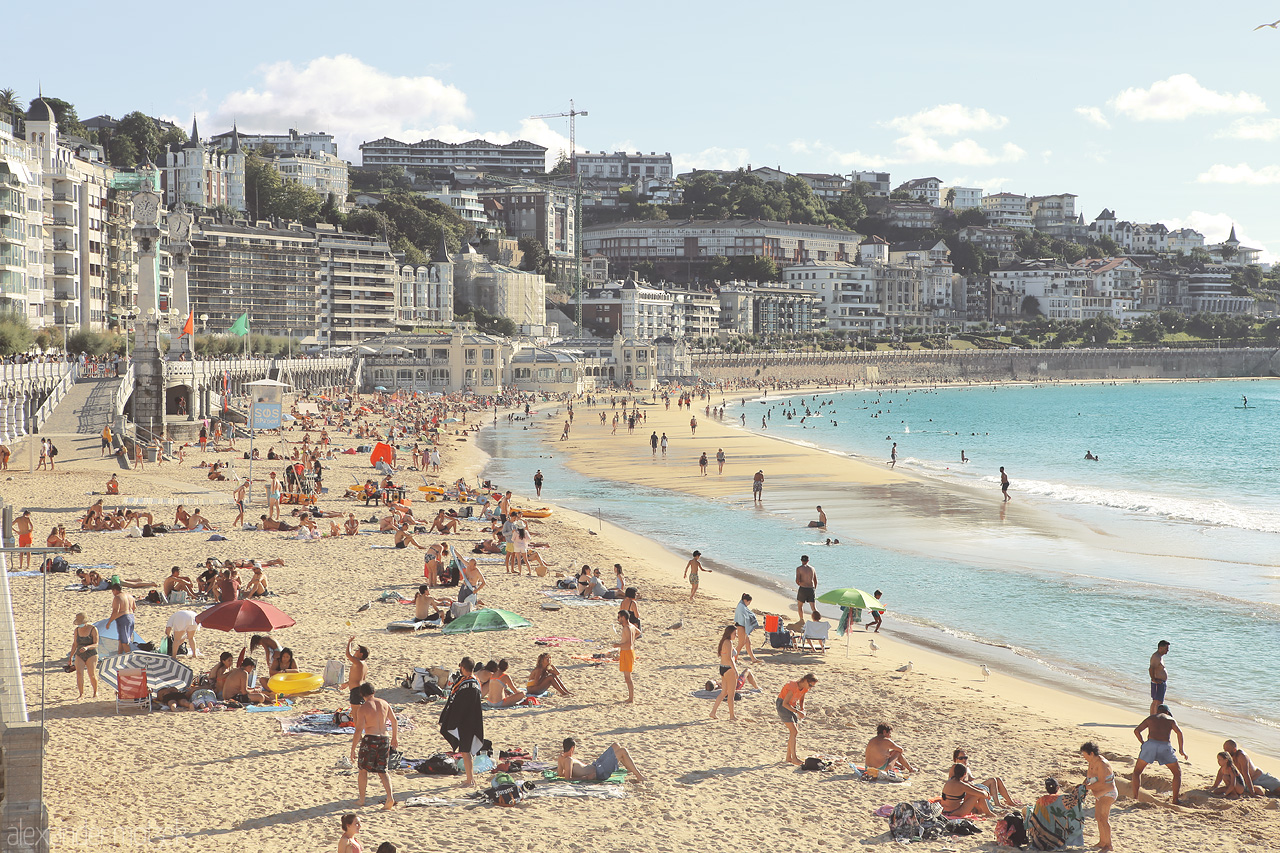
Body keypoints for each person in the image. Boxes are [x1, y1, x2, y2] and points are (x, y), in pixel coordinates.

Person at [350, 683, 398, 810]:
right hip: (384, 738)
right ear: (374, 691)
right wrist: (395, 737)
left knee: (363, 770)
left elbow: (359, 730)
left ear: (362, 694)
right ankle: (389, 797)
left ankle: (361, 799)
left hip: (370, 739)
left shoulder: (363, 708)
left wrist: (353, 748)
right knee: (383, 770)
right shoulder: (384, 703)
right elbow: (394, 720)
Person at [439, 657, 485, 786]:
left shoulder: (468, 684)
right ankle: (470, 778)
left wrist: (453, 720)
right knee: (466, 750)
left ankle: (470, 779)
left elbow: (461, 705)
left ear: (463, 668)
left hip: (467, 720)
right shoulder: (474, 681)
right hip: (472, 718)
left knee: (465, 751)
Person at [1132, 703, 1187, 805]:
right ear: (1167, 712)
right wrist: (1181, 750)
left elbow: (1137, 731)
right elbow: (1179, 733)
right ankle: (1175, 800)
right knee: (1177, 773)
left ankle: (1135, 797)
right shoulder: (1170, 719)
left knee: (1137, 771)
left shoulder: (1151, 718)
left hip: (1150, 745)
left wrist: (1143, 743)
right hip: (1165, 747)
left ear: (1157, 711)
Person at [955, 747, 1021, 808]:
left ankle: (1010, 801)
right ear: (956, 759)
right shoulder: (958, 769)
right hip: (969, 791)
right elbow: (958, 784)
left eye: (965, 757)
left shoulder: (966, 767)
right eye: (961, 758)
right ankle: (997, 803)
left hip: (974, 787)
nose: (964, 760)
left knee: (998, 780)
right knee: (992, 781)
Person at [558, 738, 644, 782]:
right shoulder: (568, 760)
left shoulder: (560, 757)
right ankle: (639, 776)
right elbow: (568, 779)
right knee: (623, 751)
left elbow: (560, 774)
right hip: (599, 772)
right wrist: (587, 778)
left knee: (616, 745)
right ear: (572, 748)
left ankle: (629, 767)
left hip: (596, 765)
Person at [777, 673, 817, 766]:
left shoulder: (804, 688)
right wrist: (797, 711)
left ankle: (788, 757)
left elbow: (802, 699)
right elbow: (785, 704)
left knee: (794, 732)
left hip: (792, 706)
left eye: (812, 687)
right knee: (794, 731)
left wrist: (802, 708)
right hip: (783, 705)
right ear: (805, 681)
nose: (810, 688)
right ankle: (794, 758)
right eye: (810, 685)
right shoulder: (792, 687)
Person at [67, 613, 99, 699]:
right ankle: (81, 694)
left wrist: (87, 647)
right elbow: (75, 644)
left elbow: (96, 644)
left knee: (91, 674)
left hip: (91, 653)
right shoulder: (77, 630)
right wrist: (70, 657)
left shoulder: (93, 629)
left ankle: (95, 692)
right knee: (79, 673)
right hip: (79, 654)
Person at [710, 625, 738, 721]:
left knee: (724, 692)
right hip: (729, 669)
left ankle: (713, 712)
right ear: (730, 633)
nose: (736, 635)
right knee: (731, 694)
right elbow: (730, 659)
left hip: (722, 668)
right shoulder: (728, 642)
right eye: (734, 633)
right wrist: (735, 670)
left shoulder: (724, 642)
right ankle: (732, 716)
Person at [105, 582, 137, 655]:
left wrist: (109, 622)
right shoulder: (130, 596)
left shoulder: (118, 597)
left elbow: (116, 611)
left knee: (125, 642)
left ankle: (129, 658)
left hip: (123, 618)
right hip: (131, 617)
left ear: (115, 590)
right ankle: (119, 655)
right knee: (122, 639)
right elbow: (134, 607)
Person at [340, 638, 369, 706]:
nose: (355, 651)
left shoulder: (358, 662)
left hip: (356, 690)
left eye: (357, 650)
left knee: (356, 713)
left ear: (361, 654)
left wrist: (349, 642)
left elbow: (348, 654)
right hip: (361, 689)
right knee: (360, 711)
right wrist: (347, 683)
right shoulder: (364, 664)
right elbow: (360, 678)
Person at [616, 609, 636, 704]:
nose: (618, 619)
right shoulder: (631, 626)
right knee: (626, 677)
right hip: (627, 652)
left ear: (623, 617)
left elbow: (628, 643)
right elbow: (638, 632)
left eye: (619, 617)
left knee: (628, 677)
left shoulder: (627, 628)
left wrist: (618, 645)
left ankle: (631, 698)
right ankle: (630, 697)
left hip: (627, 652)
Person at [733, 593, 758, 663]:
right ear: (745, 600)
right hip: (741, 626)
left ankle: (753, 659)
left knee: (748, 643)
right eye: (749, 602)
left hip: (742, 626)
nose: (749, 604)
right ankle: (734, 657)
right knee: (741, 643)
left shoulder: (742, 605)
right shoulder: (741, 606)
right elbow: (745, 616)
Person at [1148, 639, 1170, 715]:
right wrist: (1154, 679)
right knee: (1157, 701)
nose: (1167, 650)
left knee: (1157, 701)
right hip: (1158, 682)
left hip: (1160, 682)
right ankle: (1154, 717)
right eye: (1166, 648)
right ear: (1160, 648)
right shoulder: (1156, 657)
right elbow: (1151, 668)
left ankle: (1153, 717)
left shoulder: (1159, 656)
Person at [795, 555, 818, 624]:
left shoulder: (799, 568)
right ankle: (816, 620)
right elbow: (815, 581)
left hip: (803, 588)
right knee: (813, 607)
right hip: (811, 589)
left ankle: (801, 620)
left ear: (801, 560)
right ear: (808, 561)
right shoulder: (812, 568)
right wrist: (814, 589)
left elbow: (797, 580)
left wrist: (800, 584)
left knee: (800, 605)